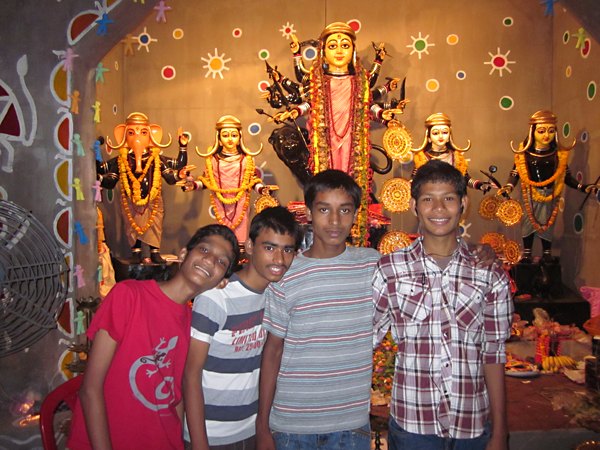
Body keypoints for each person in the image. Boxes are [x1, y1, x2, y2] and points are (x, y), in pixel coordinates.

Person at [372, 159, 513, 450]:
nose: (438, 209)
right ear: (414, 206)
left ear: (463, 204)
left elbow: (494, 354)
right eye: (428, 200)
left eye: (448, 198)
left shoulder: (488, 272)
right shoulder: (390, 270)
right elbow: (363, 341)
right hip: (412, 426)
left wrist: (501, 431)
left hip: (472, 425)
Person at [67, 224, 240, 450]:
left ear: (221, 282)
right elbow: (90, 389)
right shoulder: (128, 297)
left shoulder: (194, 325)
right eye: (204, 250)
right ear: (183, 254)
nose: (210, 260)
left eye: (221, 262)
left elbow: (175, 396)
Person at [256, 169, 381, 450]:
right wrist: (262, 425)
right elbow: (273, 350)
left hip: (350, 425)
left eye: (344, 210)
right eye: (324, 209)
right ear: (309, 213)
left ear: (355, 214)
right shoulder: (286, 273)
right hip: (292, 425)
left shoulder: (372, 265)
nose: (335, 221)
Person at [270, 22, 404, 246]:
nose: (339, 50)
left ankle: (354, 232)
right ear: (323, 52)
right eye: (333, 46)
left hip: (352, 141)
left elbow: (369, 106)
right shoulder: (318, 82)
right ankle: (325, 232)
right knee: (326, 182)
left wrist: (384, 116)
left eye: (345, 45)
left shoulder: (360, 82)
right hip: (326, 141)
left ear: (353, 50)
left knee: (352, 182)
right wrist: (294, 111)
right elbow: (309, 104)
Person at [183, 206, 303, 449]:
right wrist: (199, 442)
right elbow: (190, 374)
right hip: (211, 433)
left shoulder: (275, 295)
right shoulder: (217, 297)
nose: (279, 259)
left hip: (250, 429)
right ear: (249, 246)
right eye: (269, 248)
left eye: (287, 249)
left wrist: (262, 428)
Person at [498, 110, 598, 263]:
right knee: (528, 223)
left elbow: (566, 177)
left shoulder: (558, 154)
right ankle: (527, 253)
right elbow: (515, 173)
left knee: (548, 225)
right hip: (530, 195)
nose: (546, 135)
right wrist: (509, 186)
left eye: (551, 131)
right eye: (541, 131)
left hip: (551, 195)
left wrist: (583, 187)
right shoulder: (524, 153)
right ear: (532, 132)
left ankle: (546, 253)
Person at [97, 112, 193, 264]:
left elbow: (172, 174)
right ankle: (136, 252)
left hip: (153, 201)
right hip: (130, 201)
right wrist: (96, 156)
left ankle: (154, 252)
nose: (137, 138)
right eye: (131, 133)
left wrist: (182, 149)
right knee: (132, 226)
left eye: (143, 133)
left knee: (154, 225)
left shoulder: (157, 159)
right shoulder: (122, 160)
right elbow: (109, 178)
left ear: (152, 135)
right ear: (123, 135)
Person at [179, 115, 277, 244]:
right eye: (225, 135)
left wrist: (262, 189)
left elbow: (252, 181)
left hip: (241, 204)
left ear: (239, 138)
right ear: (219, 140)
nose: (230, 139)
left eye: (234, 135)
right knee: (223, 240)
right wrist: (192, 185)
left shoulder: (246, 160)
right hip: (220, 204)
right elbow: (207, 182)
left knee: (240, 239)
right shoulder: (213, 160)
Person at [412, 112, 493, 193]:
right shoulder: (421, 159)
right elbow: (415, 182)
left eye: (445, 132)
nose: (441, 136)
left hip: (452, 197)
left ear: (449, 136)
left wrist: (480, 185)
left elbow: (465, 178)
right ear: (429, 137)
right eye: (435, 133)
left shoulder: (456, 158)